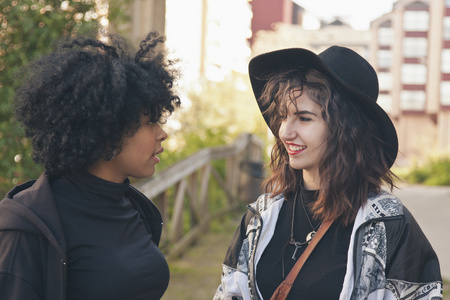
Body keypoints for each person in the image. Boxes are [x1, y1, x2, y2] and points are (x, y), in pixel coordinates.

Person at [214, 46, 442, 299]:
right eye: (283, 116)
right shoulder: (260, 218)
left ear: (345, 130)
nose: (285, 132)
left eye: (304, 118)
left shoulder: (389, 224)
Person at [0, 32, 180, 299]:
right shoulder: (29, 228)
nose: (161, 133)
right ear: (106, 130)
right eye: (149, 122)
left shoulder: (135, 209)